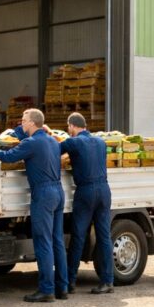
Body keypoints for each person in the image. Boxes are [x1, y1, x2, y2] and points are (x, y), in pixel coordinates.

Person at [0, 109, 69, 302]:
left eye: (23, 121)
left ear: (32, 123)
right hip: (58, 191)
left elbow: (8, 157)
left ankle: (46, 290)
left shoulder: (31, 143)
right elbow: (21, 135)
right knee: (56, 241)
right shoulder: (52, 141)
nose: (21, 124)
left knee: (43, 242)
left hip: (43, 194)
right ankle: (62, 288)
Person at [59, 112, 114, 294]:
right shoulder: (100, 142)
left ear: (72, 126)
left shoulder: (73, 142)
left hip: (86, 192)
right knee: (104, 237)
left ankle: (70, 282)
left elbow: (54, 150)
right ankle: (107, 281)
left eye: (69, 128)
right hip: (104, 191)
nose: (69, 131)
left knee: (78, 236)